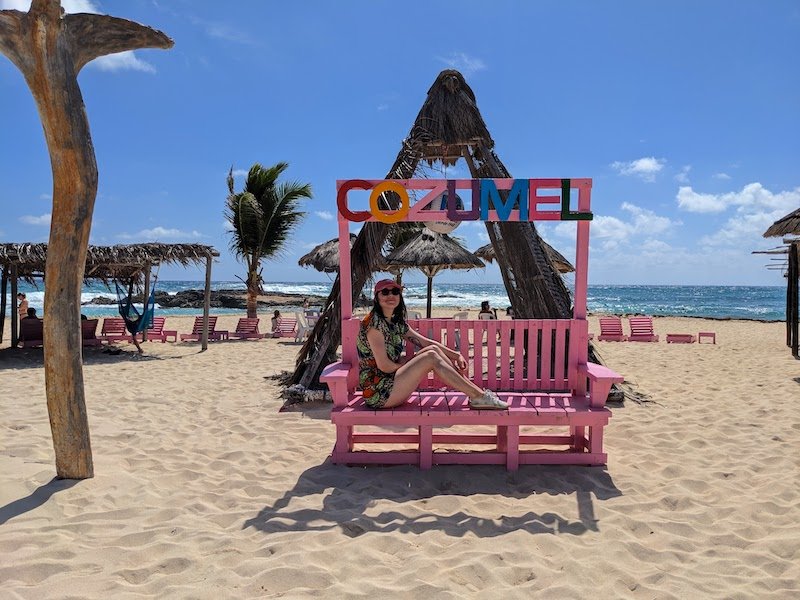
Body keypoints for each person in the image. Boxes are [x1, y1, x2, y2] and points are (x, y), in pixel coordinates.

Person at [357, 279, 507, 410]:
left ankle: (477, 394)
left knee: (432, 350)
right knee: (430, 357)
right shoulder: (374, 324)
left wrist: (456, 355)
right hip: (379, 393)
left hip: (394, 384)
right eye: (385, 292)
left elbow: (425, 342)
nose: (391, 295)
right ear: (376, 297)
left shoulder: (395, 322)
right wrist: (412, 364)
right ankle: (478, 396)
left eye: (395, 291)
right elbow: (384, 366)